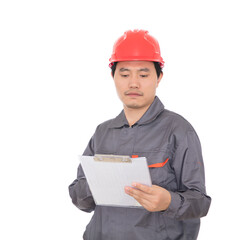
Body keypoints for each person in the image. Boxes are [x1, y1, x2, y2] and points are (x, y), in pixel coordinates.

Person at [69, 29, 211, 240]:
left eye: (143, 75)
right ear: (113, 76)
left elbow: (200, 202)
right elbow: (80, 198)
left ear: (159, 77)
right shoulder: (103, 132)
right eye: (125, 74)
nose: (133, 83)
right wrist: (97, 183)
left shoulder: (178, 130)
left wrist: (168, 202)